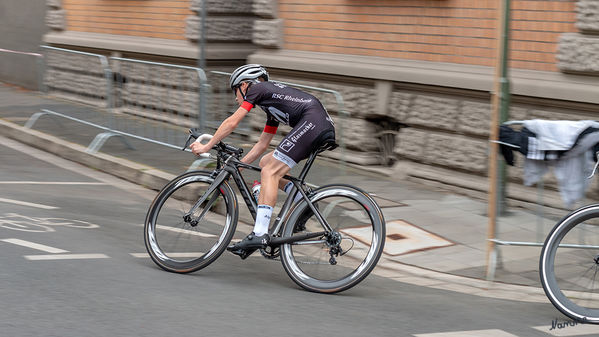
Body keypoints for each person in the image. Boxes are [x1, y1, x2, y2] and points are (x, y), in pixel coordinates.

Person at [190, 64, 335, 258]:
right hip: (317, 124)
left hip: (314, 123)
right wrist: (237, 166)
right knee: (266, 162)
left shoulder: (256, 89)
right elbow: (262, 145)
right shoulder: (271, 104)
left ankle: (259, 233)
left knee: (270, 172)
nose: (235, 97)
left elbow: (232, 122)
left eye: (235, 91)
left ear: (243, 85)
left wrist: (206, 146)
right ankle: (303, 201)